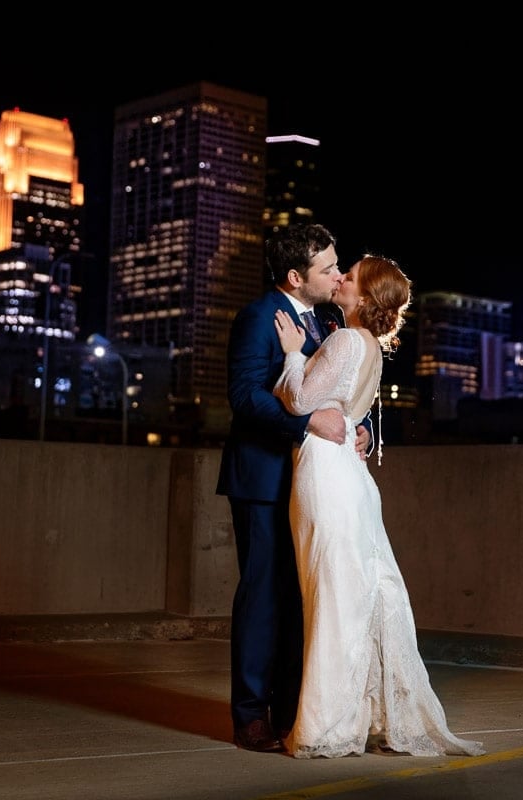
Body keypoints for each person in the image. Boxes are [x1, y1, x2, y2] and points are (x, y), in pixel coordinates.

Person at [272, 255, 485, 759]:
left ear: (364, 298)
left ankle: (329, 727)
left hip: (327, 472)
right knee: (353, 593)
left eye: (351, 276)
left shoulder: (345, 340)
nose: (341, 278)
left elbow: (299, 401)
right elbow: (350, 413)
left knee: (333, 597)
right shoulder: (370, 347)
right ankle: (357, 716)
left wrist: (293, 354)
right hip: (351, 475)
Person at [216, 223, 373, 753]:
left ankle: (291, 710)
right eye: (328, 268)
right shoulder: (258, 317)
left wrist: (363, 427)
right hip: (263, 479)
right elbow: (243, 396)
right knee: (263, 595)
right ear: (293, 276)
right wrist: (307, 424)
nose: (337, 274)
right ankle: (250, 716)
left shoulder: (333, 319)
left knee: (303, 596)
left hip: (316, 482)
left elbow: (349, 383)